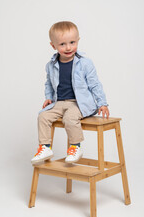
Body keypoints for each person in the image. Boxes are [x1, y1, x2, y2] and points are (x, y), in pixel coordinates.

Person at [31, 21, 109, 165]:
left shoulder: (85, 63)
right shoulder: (51, 65)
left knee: (70, 118)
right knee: (43, 116)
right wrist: (48, 97)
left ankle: (75, 147)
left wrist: (102, 103)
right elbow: (48, 83)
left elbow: (95, 84)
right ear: (53, 46)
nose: (68, 47)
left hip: (78, 103)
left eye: (72, 42)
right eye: (62, 44)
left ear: (78, 41)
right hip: (59, 102)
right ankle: (45, 147)